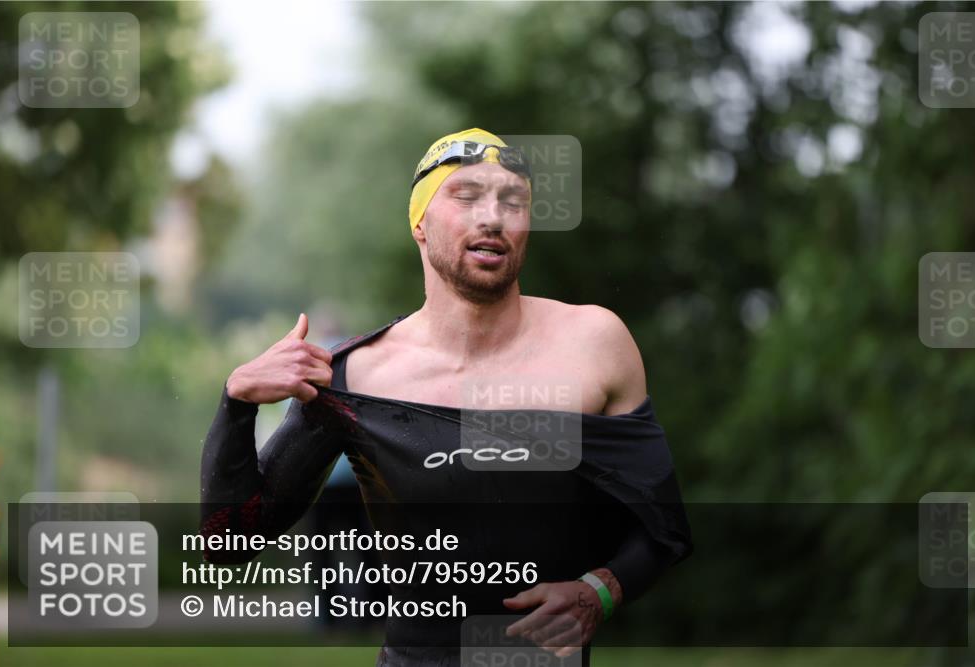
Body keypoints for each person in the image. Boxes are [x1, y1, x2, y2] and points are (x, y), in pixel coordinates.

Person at [201, 128, 692, 666]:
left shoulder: (594, 344)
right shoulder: (355, 376)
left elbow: (663, 524)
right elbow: (230, 541)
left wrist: (602, 589)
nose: (493, 217)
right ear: (419, 222)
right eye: (466, 196)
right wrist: (237, 404)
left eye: (514, 201)